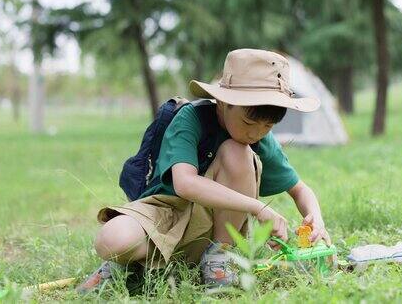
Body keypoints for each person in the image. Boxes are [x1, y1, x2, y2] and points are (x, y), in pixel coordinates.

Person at [77, 48, 332, 292]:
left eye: (267, 126)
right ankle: (131, 265)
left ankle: (218, 259)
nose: (255, 132)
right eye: (248, 121)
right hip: (166, 211)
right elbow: (185, 184)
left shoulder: (256, 138)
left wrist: (316, 219)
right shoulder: (191, 119)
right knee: (111, 239)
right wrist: (257, 207)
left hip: (211, 232)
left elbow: (300, 189)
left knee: (237, 151)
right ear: (222, 102)